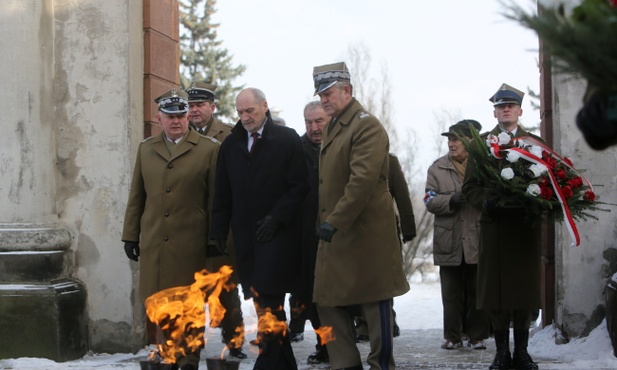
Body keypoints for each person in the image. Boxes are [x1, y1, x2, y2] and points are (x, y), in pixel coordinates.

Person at [312, 61, 410, 370]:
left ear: (347, 91)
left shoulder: (366, 125)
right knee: (326, 300)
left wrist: (334, 221)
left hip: (365, 234)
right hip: (338, 232)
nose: (324, 100)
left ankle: (381, 364)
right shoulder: (334, 125)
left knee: (375, 301)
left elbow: (362, 181)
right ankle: (344, 364)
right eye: (321, 95)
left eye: (329, 93)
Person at [210, 87, 309, 370]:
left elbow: (299, 186)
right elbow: (223, 193)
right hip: (246, 240)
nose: (244, 118)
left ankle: (266, 363)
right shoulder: (231, 145)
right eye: (239, 112)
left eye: (249, 111)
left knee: (270, 301)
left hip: (278, 236)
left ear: (264, 106)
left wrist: (277, 218)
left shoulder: (286, 139)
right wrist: (217, 230)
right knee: (262, 301)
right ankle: (284, 363)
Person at [121, 89, 220, 370]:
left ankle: (188, 360)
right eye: (170, 116)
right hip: (155, 242)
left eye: (180, 115)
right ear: (159, 118)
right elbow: (137, 196)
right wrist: (130, 234)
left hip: (191, 244)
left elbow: (215, 200)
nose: (176, 121)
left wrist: (214, 237)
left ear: (188, 116)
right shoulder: (146, 148)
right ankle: (170, 355)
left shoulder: (209, 149)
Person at [462, 84, 543, 370]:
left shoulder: (534, 144)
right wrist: (488, 200)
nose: (505, 109)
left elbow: (547, 183)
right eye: (500, 106)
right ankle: (501, 352)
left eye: (510, 105)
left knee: (523, 292)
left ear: (520, 111)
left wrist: (533, 198)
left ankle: (521, 351)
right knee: (496, 293)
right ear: (494, 111)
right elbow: (469, 187)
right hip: (495, 226)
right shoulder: (482, 145)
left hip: (524, 227)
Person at [185, 82, 247, 359]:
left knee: (227, 289)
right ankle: (192, 344)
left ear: (212, 106)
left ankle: (234, 341)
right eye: (191, 105)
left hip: (225, 225)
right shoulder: (180, 133)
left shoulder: (230, 135)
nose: (194, 110)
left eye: (200, 104)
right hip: (191, 225)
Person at [424, 119, 490, 351]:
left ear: (471, 141)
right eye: (449, 139)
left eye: (457, 139)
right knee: (450, 293)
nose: (451, 144)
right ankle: (452, 336)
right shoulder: (437, 168)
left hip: (476, 237)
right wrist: (450, 200)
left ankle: (477, 336)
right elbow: (428, 200)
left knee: (477, 291)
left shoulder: (484, 166)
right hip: (449, 238)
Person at [352, 152, 417, 342]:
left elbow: (401, 194)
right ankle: (364, 324)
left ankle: (387, 319)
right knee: (359, 278)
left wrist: (408, 228)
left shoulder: (389, 161)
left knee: (383, 279)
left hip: (384, 230)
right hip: (354, 231)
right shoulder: (347, 157)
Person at [287, 101, 330, 364]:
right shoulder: (295, 150)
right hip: (305, 236)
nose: (313, 128)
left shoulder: (340, 146)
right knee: (310, 296)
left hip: (336, 234)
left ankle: (339, 345)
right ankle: (324, 345)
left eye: (319, 121)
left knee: (335, 297)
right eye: (308, 122)